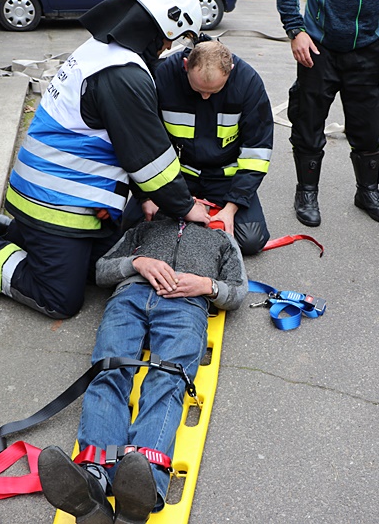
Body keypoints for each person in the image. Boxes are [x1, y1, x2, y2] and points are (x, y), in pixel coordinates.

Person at [0, 0, 211, 320]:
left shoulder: (105, 52)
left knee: (104, 265)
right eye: (171, 39)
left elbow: (125, 143)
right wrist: (185, 206)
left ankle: (10, 231)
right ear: (161, 26)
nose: (167, 48)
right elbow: (149, 159)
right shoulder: (123, 74)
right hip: (56, 203)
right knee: (59, 298)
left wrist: (147, 197)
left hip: (54, 192)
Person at [38, 212, 247, 524]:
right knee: (108, 373)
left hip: (186, 305)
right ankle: (95, 479)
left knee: (167, 381)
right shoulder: (143, 229)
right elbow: (102, 270)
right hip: (129, 297)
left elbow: (238, 290)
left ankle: (143, 485)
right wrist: (137, 263)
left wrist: (206, 285)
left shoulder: (221, 239)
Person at [277, 0, 379, 227]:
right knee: (308, 121)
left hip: (367, 47)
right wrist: (295, 30)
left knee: (368, 126)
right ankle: (306, 192)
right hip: (318, 45)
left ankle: (367, 191)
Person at [152, 39, 273, 256]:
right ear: (186, 65)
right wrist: (148, 196)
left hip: (225, 178)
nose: (205, 97)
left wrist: (231, 208)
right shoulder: (163, 76)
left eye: (214, 91)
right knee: (138, 224)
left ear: (231, 70)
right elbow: (147, 142)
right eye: (198, 89)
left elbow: (256, 153)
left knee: (251, 240)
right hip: (177, 175)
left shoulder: (248, 82)